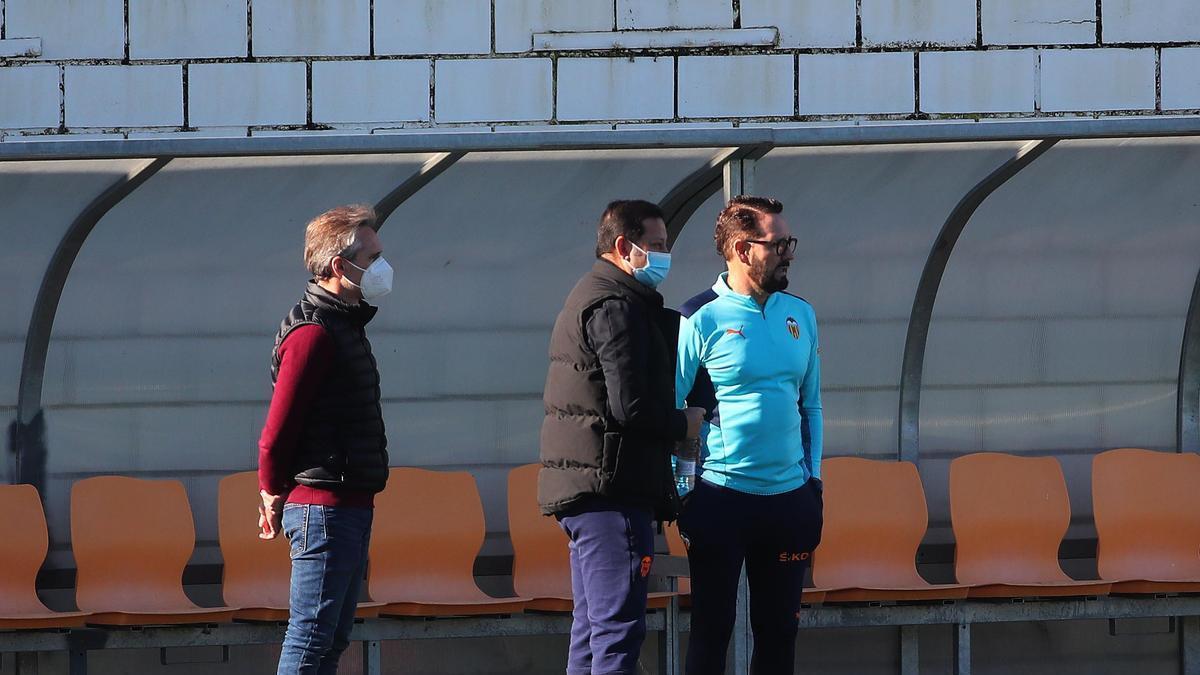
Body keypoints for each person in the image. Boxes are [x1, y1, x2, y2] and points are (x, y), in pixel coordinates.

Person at [539, 199, 706, 675]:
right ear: (623, 246)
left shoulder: (595, 295)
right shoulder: (615, 306)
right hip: (612, 490)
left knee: (592, 633)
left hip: (590, 489)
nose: (664, 255)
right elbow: (629, 406)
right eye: (656, 244)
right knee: (617, 632)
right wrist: (684, 424)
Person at [676, 195, 824, 675]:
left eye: (789, 243)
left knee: (779, 634)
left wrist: (814, 483)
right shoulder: (698, 317)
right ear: (742, 249)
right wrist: (682, 489)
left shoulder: (801, 313)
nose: (788, 254)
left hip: (789, 499)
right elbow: (673, 411)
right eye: (778, 244)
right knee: (712, 630)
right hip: (720, 497)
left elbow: (811, 406)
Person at [256, 204, 393, 674]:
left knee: (331, 640)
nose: (382, 267)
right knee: (310, 639)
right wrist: (271, 490)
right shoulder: (313, 333)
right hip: (324, 508)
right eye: (372, 258)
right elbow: (277, 430)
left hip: (350, 503)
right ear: (340, 266)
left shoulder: (344, 324)